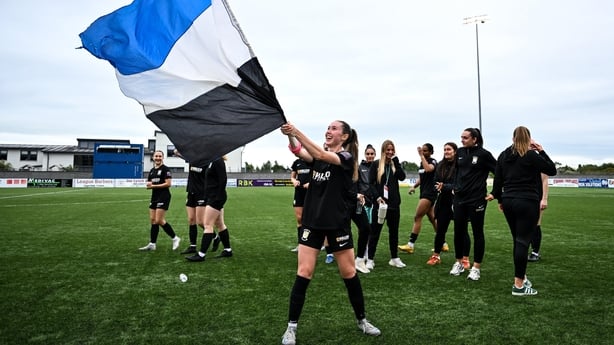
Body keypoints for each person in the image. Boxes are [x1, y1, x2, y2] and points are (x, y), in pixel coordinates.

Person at [280, 121, 380, 345]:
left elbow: (322, 156)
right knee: (303, 272)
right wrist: (290, 135)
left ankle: (362, 320)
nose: (329, 130)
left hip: (337, 225)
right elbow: (299, 150)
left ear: (344, 137)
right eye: (328, 127)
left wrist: (296, 131)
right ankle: (291, 327)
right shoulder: (318, 156)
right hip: (312, 224)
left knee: (349, 273)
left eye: (334, 128)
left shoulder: (346, 158)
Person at [487, 126, 556, 295]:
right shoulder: (531, 155)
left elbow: (498, 181)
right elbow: (551, 170)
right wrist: (542, 151)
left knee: (518, 240)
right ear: (528, 139)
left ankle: (522, 278)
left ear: (513, 138)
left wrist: (500, 200)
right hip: (527, 201)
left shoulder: (504, 155)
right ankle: (518, 285)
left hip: (509, 200)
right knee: (523, 241)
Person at [449, 128, 496, 281]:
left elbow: (499, 172)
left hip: (477, 199)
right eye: (461, 137)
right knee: (459, 231)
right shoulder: (460, 153)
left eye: (465, 137)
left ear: (475, 139)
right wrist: (455, 186)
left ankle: (476, 268)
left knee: (477, 233)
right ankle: (459, 263)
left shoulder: (484, 155)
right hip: (459, 199)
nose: (462, 140)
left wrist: (495, 192)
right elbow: (456, 171)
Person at [425, 142, 470, 265]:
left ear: (455, 151)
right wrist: (440, 187)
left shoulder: (460, 165)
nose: (446, 152)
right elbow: (435, 183)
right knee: (440, 230)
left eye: (449, 149)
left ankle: (465, 258)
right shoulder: (440, 165)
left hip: (459, 202)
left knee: (462, 231)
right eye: (445, 149)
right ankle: (436, 256)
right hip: (444, 202)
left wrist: (444, 186)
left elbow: (459, 185)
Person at [366, 140, 407, 269]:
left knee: (394, 232)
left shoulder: (395, 164)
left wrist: (397, 163)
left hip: (394, 205)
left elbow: (402, 177)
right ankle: (370, 259)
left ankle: (394, 258)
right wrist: (377, 197)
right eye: (387, 150)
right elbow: (371, 184)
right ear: (383, 151)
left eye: (392, 150)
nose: (390, 152)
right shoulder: (376, 164)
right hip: (380, 205)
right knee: (375, 232)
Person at [185, 156, 233, 262]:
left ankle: (201, 255)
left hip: (216, 197)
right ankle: (228, 250)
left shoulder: (217, 161)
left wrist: (218, 197)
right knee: (220, 224)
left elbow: (223, 179)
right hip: (212, 196)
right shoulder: (211, 161)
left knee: (207, 224)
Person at [399, 143, 441, 254]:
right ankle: (443, 243)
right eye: (422, 150)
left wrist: (421, 156)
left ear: (431, 152)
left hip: (430, 194)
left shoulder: (433, 161)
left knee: (417, 217)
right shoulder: (422, 163)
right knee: (432, 219)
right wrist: (414, 186)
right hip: (424, 193)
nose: (423, 152)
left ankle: (410, 245)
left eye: (425, 151)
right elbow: (422, 178)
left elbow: (428, 170)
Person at [139, 150, 181, 251]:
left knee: (159, 220)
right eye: (156, 156)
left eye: (159, 156)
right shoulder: (152, 170)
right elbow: (149, 182)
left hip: (164, 196)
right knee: (153, 220)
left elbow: (168, 183)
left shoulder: (165, 169)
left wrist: (153, 185)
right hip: (154, 196)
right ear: (153, 158)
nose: (158, 158)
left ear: (162, 158)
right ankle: (152, 244)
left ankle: (175, 238)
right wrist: (149, 184)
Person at [173, 150, 208, 255]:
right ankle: (192, 246)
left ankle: (214, 236)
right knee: (191, 220)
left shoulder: (207, 162)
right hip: (191, 192)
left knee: (200, 222)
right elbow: (176, 152)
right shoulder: (191, 159)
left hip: (201, 193)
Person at [354, 144, 377, 273]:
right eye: (367, 154)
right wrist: (358, 196)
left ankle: (369, 255)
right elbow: (356, 183)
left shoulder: (378, 167)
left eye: (372, 154)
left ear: (375, 155)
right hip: (362, 202)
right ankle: (363, 255)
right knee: (363, 229)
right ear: (365, 155)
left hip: (375, 201)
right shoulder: (360, 168)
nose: (370, 156)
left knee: (373, 229)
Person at [290, 158, 311, 252]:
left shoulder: (313, 160)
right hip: (299, 192)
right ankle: (301, 244)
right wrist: (294, 181)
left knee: (313, 218)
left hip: (311, 193)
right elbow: (292, 177)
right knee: (299, 218)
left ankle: (316, 243)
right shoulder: (297, 162)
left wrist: (312, 184)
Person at [528, 173, 549, 262]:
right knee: (524, 224)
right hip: (523, 196)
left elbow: (544, 180)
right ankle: (523, 249)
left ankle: (535, 252)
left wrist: (544, 199)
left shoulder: (540, 159)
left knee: (536, 223)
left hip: (537, 196)